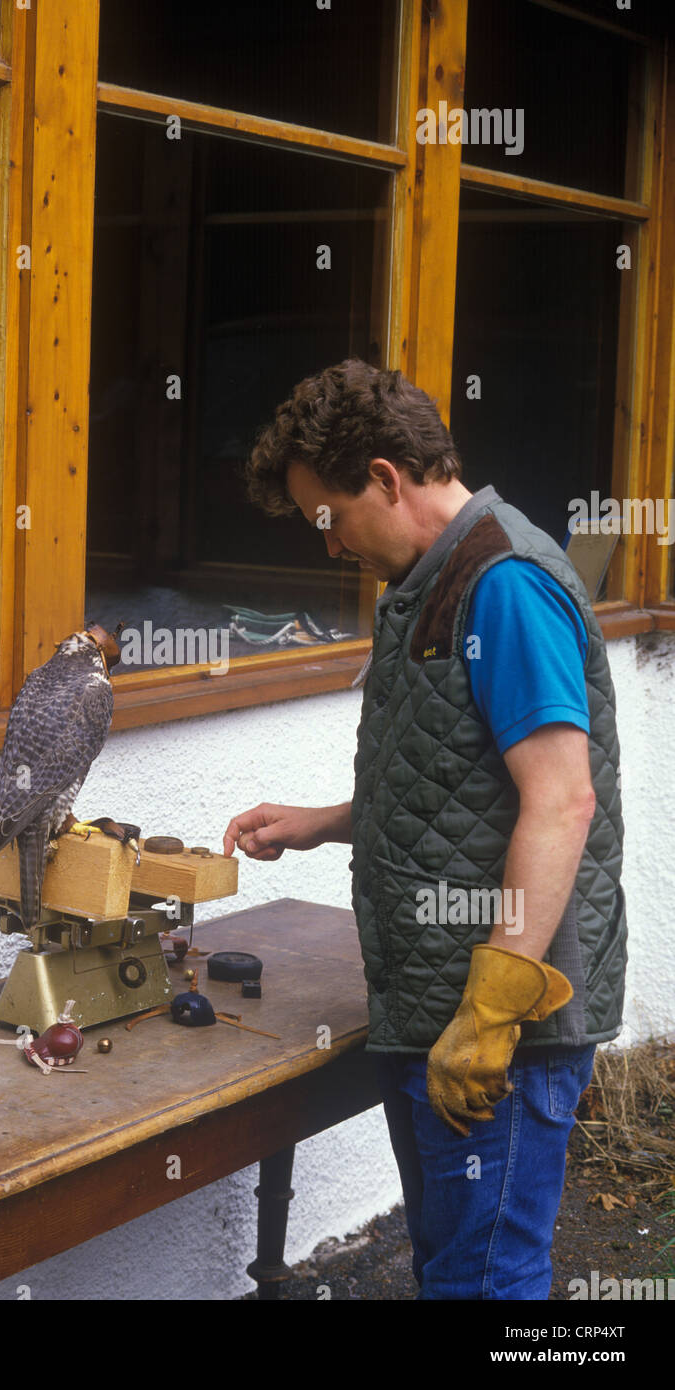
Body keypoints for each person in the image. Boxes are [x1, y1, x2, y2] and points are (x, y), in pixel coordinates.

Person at [222, 359, 626, 1301]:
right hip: (438, 1009)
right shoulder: (437, 580)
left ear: (382, 478)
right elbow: (461, 779)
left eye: (327, 517)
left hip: (498, 1029)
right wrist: (322, 824)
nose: (327, 547)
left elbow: (560, 800)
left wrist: (488, 1016)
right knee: (458, 1270)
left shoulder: (504, 587)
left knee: (484, 1284)